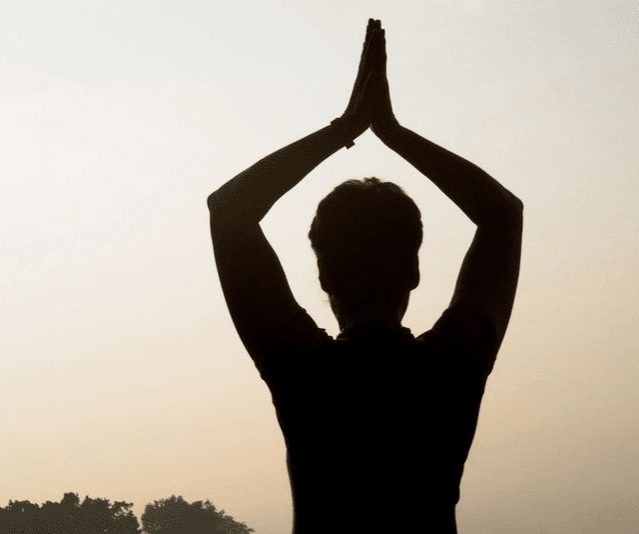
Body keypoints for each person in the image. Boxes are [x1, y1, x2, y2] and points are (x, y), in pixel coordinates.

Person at [208, 19, 523, 534]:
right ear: (416, 270)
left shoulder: (304, 373)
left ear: (324, 273)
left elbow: (230, 211)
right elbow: (503, 215)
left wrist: (344, 129)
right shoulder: (451, 368)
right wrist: (393, 132)